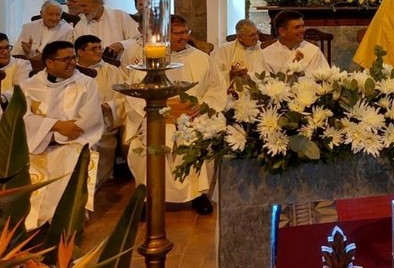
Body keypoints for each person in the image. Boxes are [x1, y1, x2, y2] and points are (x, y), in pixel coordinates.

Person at [124, 14, 225, 215]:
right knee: (151, 142)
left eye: (185, 32)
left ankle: (198, 194)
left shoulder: (202, 58)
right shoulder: (150, 60)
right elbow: (134, 93)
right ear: (164, 35)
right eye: (177, 33)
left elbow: (216, 90)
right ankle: (148, 197)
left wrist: (202, 107)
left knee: (200, 137)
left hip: (194, 116)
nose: (183, 37)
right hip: (157, 117)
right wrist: (158, 112)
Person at [20, 40, 103, 229]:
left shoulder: (86, 84)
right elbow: (24, 117)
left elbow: (91, 118)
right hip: (37, 144)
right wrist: (56, 126)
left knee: (70, 160)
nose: (72, 62)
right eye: (66, 59)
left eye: (73, 57)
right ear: (49, 62)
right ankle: (31, 222)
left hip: (73, 142)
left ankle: (65, 218)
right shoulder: (29, 86)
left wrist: (55, 135)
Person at [75, 34, 128, 186]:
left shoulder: (112, 71)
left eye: (100, 48)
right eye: (93, 49)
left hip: (104, 119)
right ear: (80, 52)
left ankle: (95, 185)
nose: (99, 52)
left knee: (94, 142)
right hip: (76, 121)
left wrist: (108, 106)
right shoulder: (72, 72)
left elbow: (125, 96)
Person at [73, 0, 140, 57]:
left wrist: (121, 45)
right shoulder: (80, 25)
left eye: (84, 6)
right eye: (80, 6)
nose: (82, 10)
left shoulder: (119, 16)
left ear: (98, 4)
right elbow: (78, 51)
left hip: (120, 63)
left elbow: (138, 39)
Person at [261, 11, 328, 77]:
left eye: (302, 26)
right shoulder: (266, 54)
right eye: (297, 27)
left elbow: (324, 75)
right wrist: (292, 64)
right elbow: (265, 82)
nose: (302, 30)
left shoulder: (312, 50)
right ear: (282, 31)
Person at [215, 19, 268, 92]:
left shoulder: (263, 49)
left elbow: (267, 74)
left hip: (255, 93)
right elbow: (215, 74)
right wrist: (230, 74)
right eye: (252, 35)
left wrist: (247, 76)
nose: (257, 37)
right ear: (240, 37)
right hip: (231, 92)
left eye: (257, 33)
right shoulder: (225, 49)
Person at [1, 32, 32, 112]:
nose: (5, 52)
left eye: (7, 47)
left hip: (12, 111)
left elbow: (20, 90)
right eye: (0, 49)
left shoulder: (22, 64)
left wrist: (2, 97)